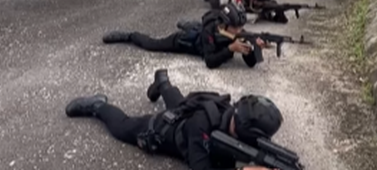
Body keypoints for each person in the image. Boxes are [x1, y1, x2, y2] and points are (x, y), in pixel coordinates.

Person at [65, 68, 284, 170]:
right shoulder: (202, 126)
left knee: (179, 104)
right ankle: (97, 105)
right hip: (167, 130)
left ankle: (163, 82)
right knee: (123, 128)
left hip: (187, 113)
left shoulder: (240, 121)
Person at [102, 3, 266, 69]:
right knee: (153, 44)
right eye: (237, 28)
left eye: (241, 28)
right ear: (225, 24)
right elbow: (209, 61)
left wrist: (255, 48)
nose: (240, 31)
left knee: (195, 26)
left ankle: (188, 24)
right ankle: (129, 35)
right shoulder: (211, 30)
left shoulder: (234, 31)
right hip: (188, 42)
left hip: (203, 32)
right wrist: (230, 49)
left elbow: (250, 63)